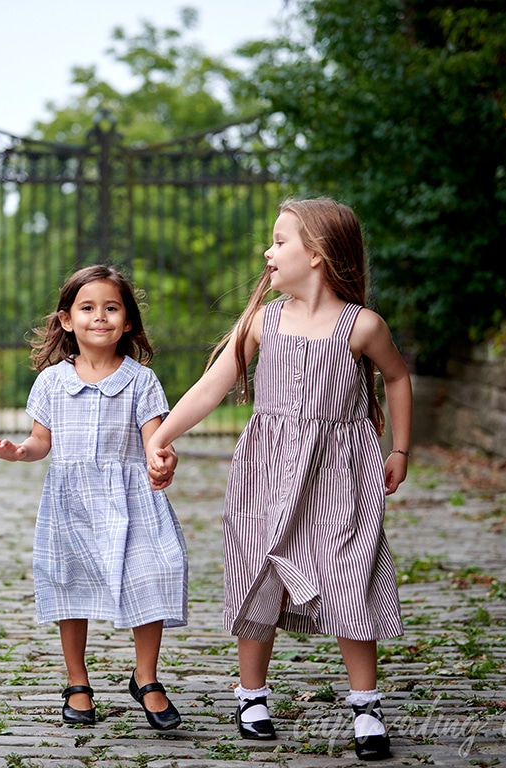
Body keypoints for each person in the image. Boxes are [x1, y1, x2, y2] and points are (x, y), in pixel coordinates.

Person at [144, 197, 411, 760]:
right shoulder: (263, 322)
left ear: (315, 255)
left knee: (350, 570)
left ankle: (366, 704)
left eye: (280, 240)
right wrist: (161, 436)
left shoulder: (362, 326)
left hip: (341, 470)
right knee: (258, 566)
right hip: (266, 468)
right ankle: (252, 694)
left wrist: (400, 448)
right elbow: (212, 385)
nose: (268, 252)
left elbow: (396, 376)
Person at [0, 264, 187, 731]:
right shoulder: (53, 382)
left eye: (111, 307)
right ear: (66, 321)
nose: (100, 317)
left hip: (132, 500)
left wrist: (163, 459)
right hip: (71, 502)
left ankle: (147, 678)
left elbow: (157, 440)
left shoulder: (141, 381)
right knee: (69, 582)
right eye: (88, 308)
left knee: (151, 572)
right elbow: (41, 442)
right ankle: (77, 680)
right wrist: (19, 452)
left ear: (128, 321)